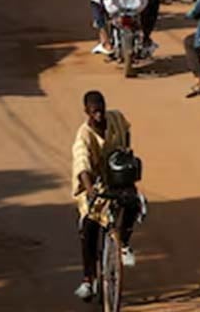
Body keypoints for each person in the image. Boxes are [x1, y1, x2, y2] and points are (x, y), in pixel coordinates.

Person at [71, 91, 138, 301]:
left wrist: (126, 154)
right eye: (94, 112)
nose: (99, 116)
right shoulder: (84, 136)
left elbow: (126, 130)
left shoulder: (116, 117)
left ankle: (124, 244)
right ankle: (87, 280)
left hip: (115, 177)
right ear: (87, 112)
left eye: (101, 110)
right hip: (91, 184)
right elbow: (82, 167)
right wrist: (91, 192)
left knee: (133, 202)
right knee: (89, 227)